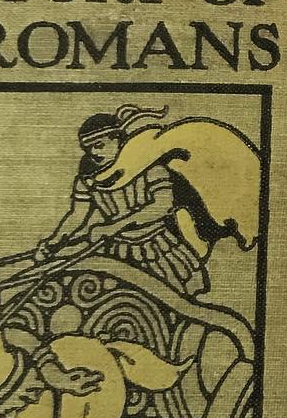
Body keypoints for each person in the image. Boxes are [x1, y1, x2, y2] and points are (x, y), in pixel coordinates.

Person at [43, 105, 211, 297]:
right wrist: (53, 243)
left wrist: (113, 228)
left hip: (156, 248)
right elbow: (77, 215)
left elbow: (162, 206)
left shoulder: (150, 168)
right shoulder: (88, 179)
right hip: (116, 251)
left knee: (168, 298)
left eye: (99, 145)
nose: (94, 153)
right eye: (89, 149)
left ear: (118, 140)